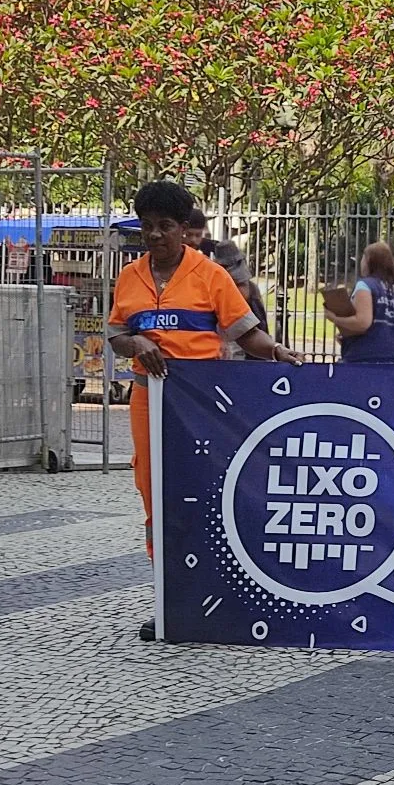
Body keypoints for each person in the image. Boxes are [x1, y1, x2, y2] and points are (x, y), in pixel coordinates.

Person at [107, 182, 302, 639]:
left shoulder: (210, 276)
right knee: (155, 497)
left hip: (199, 405)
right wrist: (135, 342)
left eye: (166, 226)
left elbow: (245, 333)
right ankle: (169, 598)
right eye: (148, 226)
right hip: (146, 400)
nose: (155, 235)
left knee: (203, 497)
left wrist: (276, 352)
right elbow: (116, 335)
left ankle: (214, 593)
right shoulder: (129, 277)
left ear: (183, 229)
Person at [327, 242, 394, 365]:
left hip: (365, 357)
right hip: (393, 357)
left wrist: (335, 318)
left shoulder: (365, 285)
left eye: (363, 257)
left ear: (369, 261)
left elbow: (362, 323)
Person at [212, 240, 270, 361]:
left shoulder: (250, 288)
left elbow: (259, 321)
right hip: (229, 329)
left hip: (243, 329)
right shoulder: (217, 282)